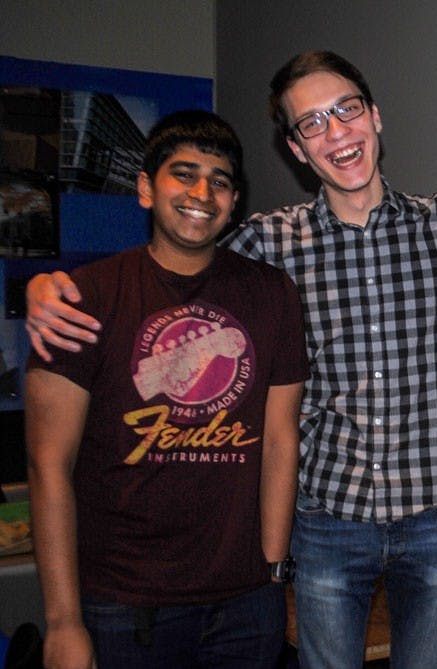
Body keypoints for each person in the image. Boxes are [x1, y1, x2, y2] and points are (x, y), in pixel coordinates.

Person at [24, 52, 437, 669]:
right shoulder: (265, 245)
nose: (336, 133)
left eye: (347, 110)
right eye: (313, 123)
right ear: (294, 148)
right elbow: (173, 262)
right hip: (327, 524)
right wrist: (55, 287)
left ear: (375, 117)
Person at [25, 110, 308, 669]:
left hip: (247, 602)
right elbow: (47, 466)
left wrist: (273, 571)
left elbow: (280, 438)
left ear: (233, 201)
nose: (202, 192)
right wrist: (61, 621)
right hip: (123, 603)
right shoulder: (83, 298)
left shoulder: (272, 293)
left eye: (220, 180)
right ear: (145, 188)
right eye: (184, 173)